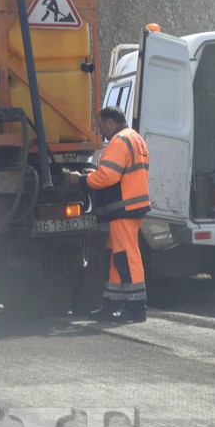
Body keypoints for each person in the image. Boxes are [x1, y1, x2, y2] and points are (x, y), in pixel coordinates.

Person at [66, 106, 151, 322]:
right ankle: (111, 304)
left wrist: (81, 180)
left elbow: (108, 178)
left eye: (101, 126)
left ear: (111, 122)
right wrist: (97, 173)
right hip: (129, 207)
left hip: (123, 208)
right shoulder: (135, 138)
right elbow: (117, 174)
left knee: (126, 257)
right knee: (115, 257)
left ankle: (136, 308)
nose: (101, 131)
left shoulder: (119, 141)